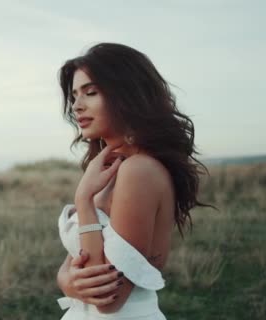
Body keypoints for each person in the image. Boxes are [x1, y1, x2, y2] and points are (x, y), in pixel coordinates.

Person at [54, 42, 212, 319]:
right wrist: (66, 281)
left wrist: (84, 201)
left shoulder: (139, 171)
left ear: (126, 96)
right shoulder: (113, 167)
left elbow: (108, 300)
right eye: (74, 96)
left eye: (90, 93)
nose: (77, 106)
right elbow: (75, 265)